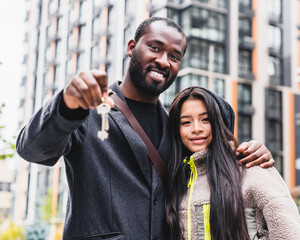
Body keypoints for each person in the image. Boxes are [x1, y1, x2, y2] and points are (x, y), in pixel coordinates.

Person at [16, 17, 274, 239]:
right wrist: (66, 104)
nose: (164, 61)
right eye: (155, 48)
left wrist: (253, 155)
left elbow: (212, 170)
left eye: (175, 56)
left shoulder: (178, 127)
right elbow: (33, 150)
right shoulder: (89, 110)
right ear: (131, 47)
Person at [165, 86, 300, 240]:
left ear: (219, 123)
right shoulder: (175, 180)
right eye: (186, 122)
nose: (197, 129)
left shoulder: (252, 168)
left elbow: (291, 234)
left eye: (205, 119)